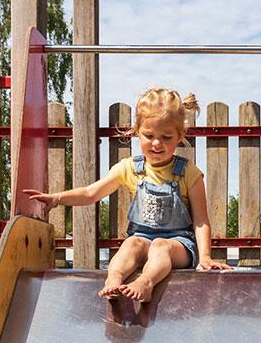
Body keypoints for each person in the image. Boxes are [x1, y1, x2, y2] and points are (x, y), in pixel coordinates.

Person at [24, 88, 230, 300]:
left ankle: (145, 283)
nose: (157, 143)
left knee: (161, 246)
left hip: (178, 245)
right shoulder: (130, 168)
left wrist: (204, 256)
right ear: (136, 131)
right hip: (142, 239)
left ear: (180, 136)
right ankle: (113, 279)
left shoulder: (188, 172)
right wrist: (57, 198)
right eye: (149, 136)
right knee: (130, 243)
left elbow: (201, 220)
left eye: (166, 137)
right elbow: (90, 193)